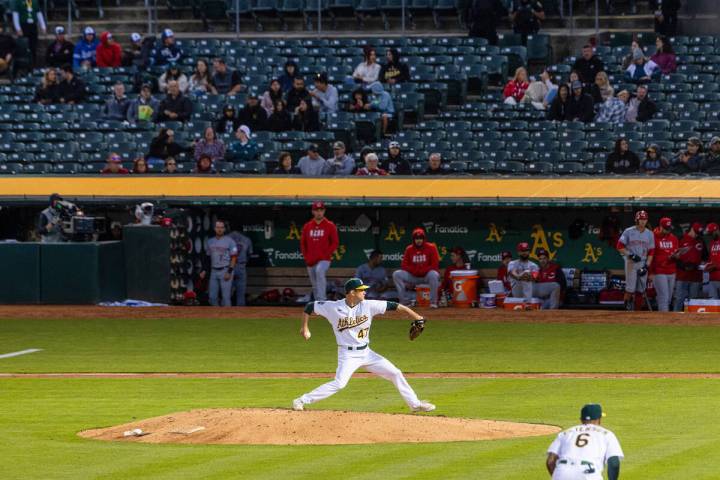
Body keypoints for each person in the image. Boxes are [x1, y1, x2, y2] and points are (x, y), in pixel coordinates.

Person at [293, 277, 435, 413]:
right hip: (347, 355)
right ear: (352, 293)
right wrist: (304, 327)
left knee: (395, 373)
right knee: (340, 383)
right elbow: (310, 307)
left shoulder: (369, 305)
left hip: (367, 354)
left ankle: (415, 405)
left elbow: (396, 306)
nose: (364, 292)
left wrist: (417, 317)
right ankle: (301, 400)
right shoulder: (333, 307)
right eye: (361, 290)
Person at [546, 404, 623, 480]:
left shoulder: (565, 433)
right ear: (599, 419)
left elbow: (550, 461)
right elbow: (614, 463)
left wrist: (559, 476)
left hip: (562, 471)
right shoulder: (607, 434)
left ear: (581, 419)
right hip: (588, 474)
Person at [300, 201, 339, 302]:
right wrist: (306, 256)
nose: (319, 212)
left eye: (321, 210)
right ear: (313, 211)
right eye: (317, 210)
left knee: (319, 271)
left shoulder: (330, 225)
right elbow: (303, 243)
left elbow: (335, 243)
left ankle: (322, 300)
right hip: (311, 259)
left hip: (324, 259)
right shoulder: (307, 226)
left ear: (324, 211)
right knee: (314, 282)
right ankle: (318, 302)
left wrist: (326, 254)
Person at [392, 227, 441, 308]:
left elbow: (435, 265)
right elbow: (404, 265)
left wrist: (423, 271)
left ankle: (433, 302)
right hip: (413, 276)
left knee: (433, 274)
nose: (419, 240)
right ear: (413, 239)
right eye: (417, 238)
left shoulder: (431, 247)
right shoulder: (409, 249)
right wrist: (414, 271)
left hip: (426, 276)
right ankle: (404, 302)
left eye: (421, 238)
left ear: (424, 239)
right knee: (397, 274)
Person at [616, 210, 655, 311]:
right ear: (636, 220)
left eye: (644, 219)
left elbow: (651, 251)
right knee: (630, 289)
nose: (643, 221)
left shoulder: (650, 234)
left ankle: (637, 313)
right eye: (641, 219)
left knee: (641, 290)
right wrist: (631, 255)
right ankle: (626, 310)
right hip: (631, 262)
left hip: (642, 261)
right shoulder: (628, 231)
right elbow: (619, 246)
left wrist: (647, 266)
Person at [199, 220, 237, 307]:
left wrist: (230, 271)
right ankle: (216, 317)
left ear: (224, 229)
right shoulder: (210, 241)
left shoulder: (230, 241)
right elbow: (207, 258)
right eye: (218, 227)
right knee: (212, 297)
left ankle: (228, 318)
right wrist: (204, 270)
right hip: (214, 271)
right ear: (214, 229)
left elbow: (234, 257)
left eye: (221, 227)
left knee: (226, 298)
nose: (219, 229)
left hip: (225, 269)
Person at [673, 222, 706, 312]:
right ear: (691, 229)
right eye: (696, 233)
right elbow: (674, 256)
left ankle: (692, 322)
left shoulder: (701, 241)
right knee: (679, 299)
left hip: (696, 276)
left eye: (698, 233)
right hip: (682, 275)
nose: (697, 235)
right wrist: (682, 265)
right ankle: (674, 321)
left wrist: (699, 264)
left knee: (693, 301)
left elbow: (705, 257)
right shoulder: (681, 239)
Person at [651, 216, 679, 312]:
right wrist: (650, 272)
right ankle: (663, 322)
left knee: (668, 299)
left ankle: (661, 318)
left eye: (669, 228)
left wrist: (676, 256)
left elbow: (676, 251)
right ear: (661, 227)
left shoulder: (674, 238)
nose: (668, 231)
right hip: (659, 271)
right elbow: (650, 255)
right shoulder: (653, 237)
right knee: (664, 298)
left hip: (671, 270)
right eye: (666, 229)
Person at [12, 0, 46, 66]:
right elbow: (15, 15)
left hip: (33, 26)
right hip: (23, 26)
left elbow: (39, 13)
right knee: (24, 47)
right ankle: (24, 66)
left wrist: (43, 26)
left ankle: (33, 65)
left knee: (33, 46)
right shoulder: (18, 2)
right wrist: (18, 28)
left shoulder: (35, 1)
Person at [228, 226, 253, 307]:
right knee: (240, 295)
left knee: (226, 294)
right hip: (241, 266)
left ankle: (224, 315)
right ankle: (240, 315)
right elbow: (249, 254)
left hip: (229, 267)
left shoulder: (226, 238)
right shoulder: (246, 239)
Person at [704, 223, 720, 299]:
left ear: (716, 230)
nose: (711, 235)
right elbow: (711, 259)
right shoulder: (712, 243)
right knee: (712, 304)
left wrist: (715, 266)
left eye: (712, 233)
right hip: (713, 278)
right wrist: (706, 266)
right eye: (710, 233)